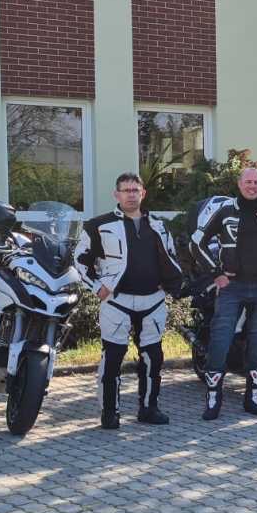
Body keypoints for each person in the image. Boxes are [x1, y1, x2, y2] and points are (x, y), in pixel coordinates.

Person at [75, 172, 185, 429]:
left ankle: (149, 408)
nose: (131, 195)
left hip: (153, 301)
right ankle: (109, 413)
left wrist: (169, 281)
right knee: (112, 358)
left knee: (153, 358)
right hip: (117, 302)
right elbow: (79, 259)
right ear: (116, 194)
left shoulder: (159, 225)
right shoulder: (98, 225)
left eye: (135, 190)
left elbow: (172, 256)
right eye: (126, 190)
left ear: (143, 193)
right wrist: (96, 287)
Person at [189, 166, 257, 420]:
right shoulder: (224, 211)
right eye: (248, 182)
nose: (252, 186)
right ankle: (213, 399)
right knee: (220, 339)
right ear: (239, 184)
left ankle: (253, 397)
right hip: (232, 287)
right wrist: (216, 273)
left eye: (256, 182)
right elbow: (196, 242)